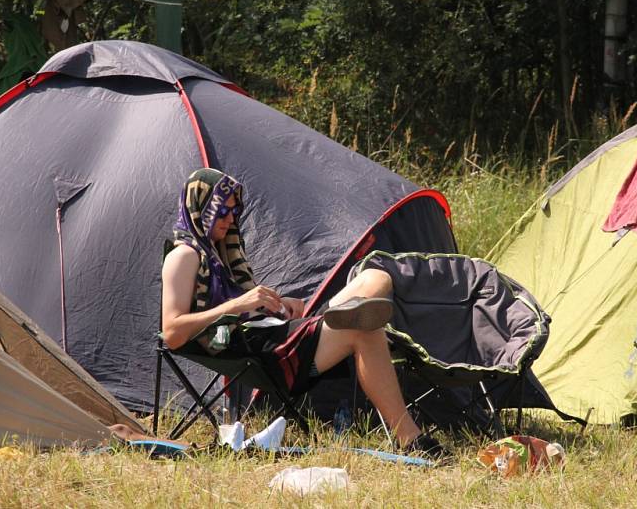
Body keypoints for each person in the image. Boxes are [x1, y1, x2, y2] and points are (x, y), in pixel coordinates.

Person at [161, 168, 443, 455]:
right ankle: (411, 439)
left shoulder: (221, 255)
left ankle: (333, 319)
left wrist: (279, 305)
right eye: (222, 212)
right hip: (257, 351)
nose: (230, 220)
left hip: (270, 334)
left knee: (375, 279)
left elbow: (239, 310)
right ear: (201, 210)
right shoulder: (184, 256)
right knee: (366, 330)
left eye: (234, 212)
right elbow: (172, 332)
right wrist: (240, 304)